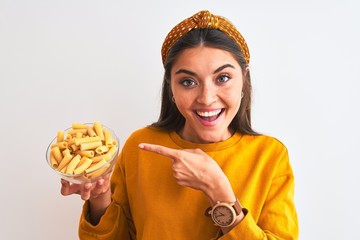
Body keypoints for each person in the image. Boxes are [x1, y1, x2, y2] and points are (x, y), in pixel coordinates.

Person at [61, 10, 299, 239]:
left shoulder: (270, 156)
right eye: (188, 81)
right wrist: (100, 197)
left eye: (223, 78)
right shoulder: (140, 146)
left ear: (244, 79)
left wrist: (219, 191)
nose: (207, 97)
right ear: (171, 87)